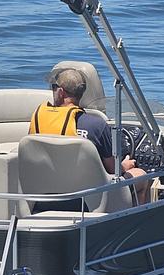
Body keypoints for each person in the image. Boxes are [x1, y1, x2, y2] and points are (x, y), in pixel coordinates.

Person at [29, 67, 150, 205]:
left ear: (61, 92)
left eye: (53, 87)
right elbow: (113, 171)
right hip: (87, 200)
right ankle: (131, 220)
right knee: (141, 174)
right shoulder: (96, 125)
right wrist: (124, 165)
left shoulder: (38, 118)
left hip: (42, 196)